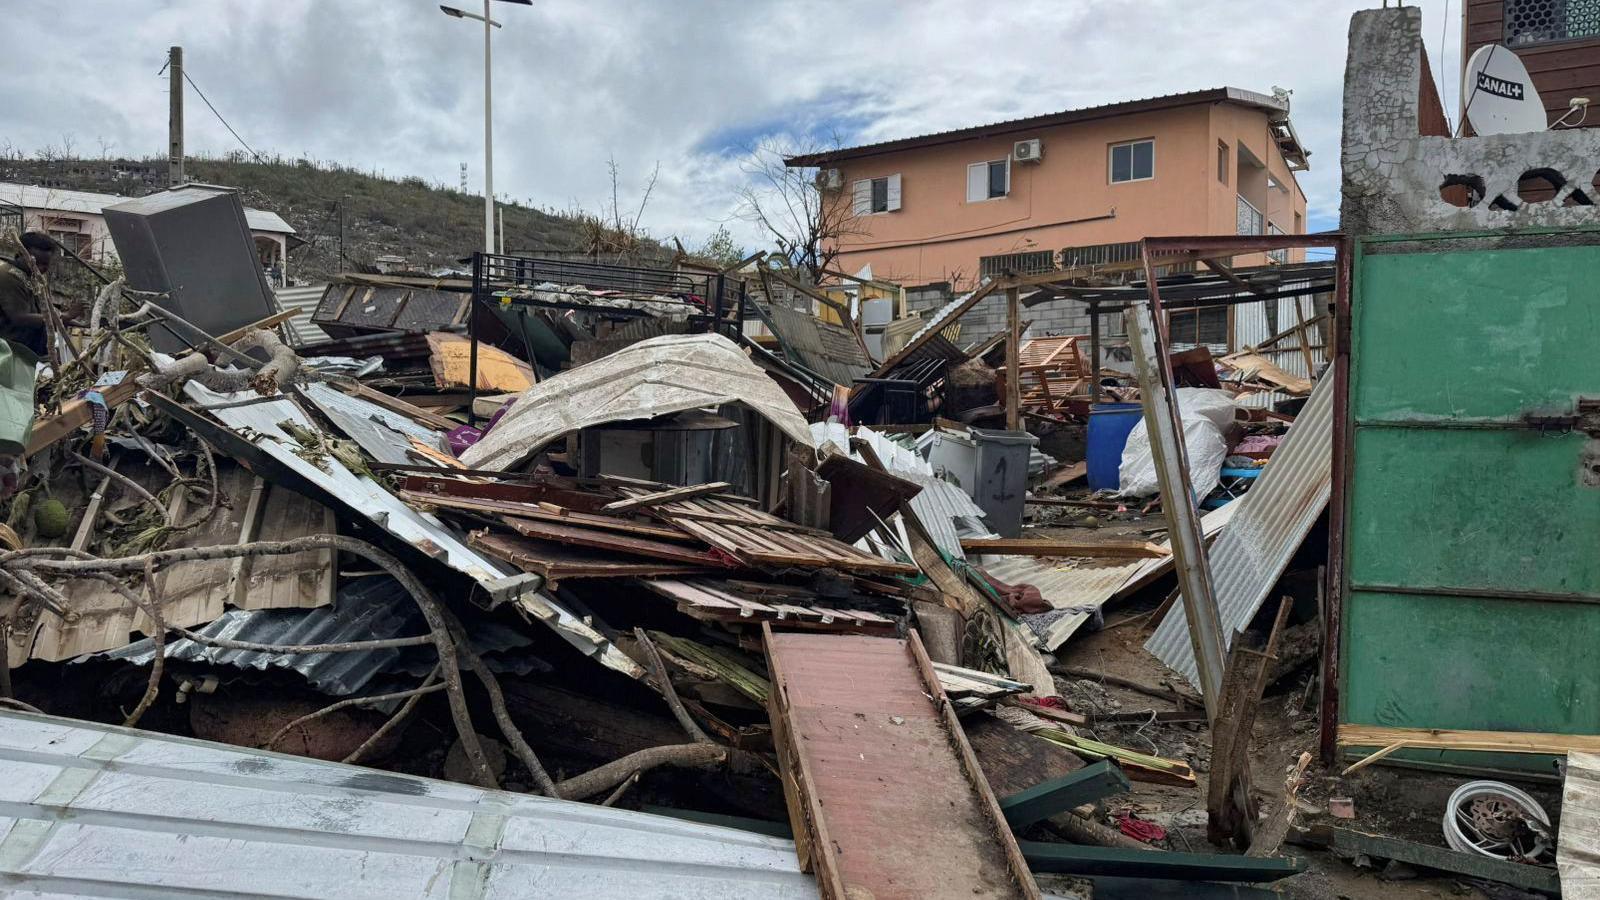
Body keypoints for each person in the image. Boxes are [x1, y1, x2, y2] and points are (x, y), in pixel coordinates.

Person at [0, 232, 60, 491]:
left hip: (25, 354)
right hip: (9, 353)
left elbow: (39, 311)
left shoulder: (29, 278)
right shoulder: (8, 278)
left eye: (47, 265)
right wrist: (60, 318)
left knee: (28, 404)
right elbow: (18, 316)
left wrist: (65, 319)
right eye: (40, 263)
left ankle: (15, 466)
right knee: (12, 408)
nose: (44, 270)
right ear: (24, 255)